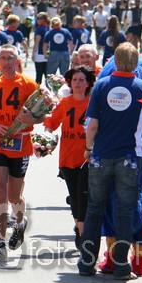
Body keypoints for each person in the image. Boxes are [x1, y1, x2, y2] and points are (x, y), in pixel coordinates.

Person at [78, 43, 142, 281]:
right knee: (125, 211)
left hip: (101, 155)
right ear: (135, 63)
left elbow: (92, 124)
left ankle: (86, 263)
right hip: (130, 158)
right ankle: (122, 266)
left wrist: (88, 149)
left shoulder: (101, 85)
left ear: (115, 61)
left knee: (94, 209)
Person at [0, 44, 42, 265]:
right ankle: (0, 242)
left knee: (14, 196)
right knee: (0, 191)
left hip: (20, 146)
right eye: (2, 58)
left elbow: (43, 114)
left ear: (17, 60)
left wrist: (31, 120)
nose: (6, 62)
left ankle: (20, 223)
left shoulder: (28, 84)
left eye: (10, 58)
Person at [43, 66, 96, 248]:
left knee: (83, 195)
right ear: (69, 83)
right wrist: (46, 138)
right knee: (74, 196)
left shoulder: (93, 104)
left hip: (87, 157)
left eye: (81, 80)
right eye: (74, 80)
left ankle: (83, 235)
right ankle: (79, 227)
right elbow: (50, 123)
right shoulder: (64, 103)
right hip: (67, 157)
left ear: (88, 84)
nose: (78, 83)